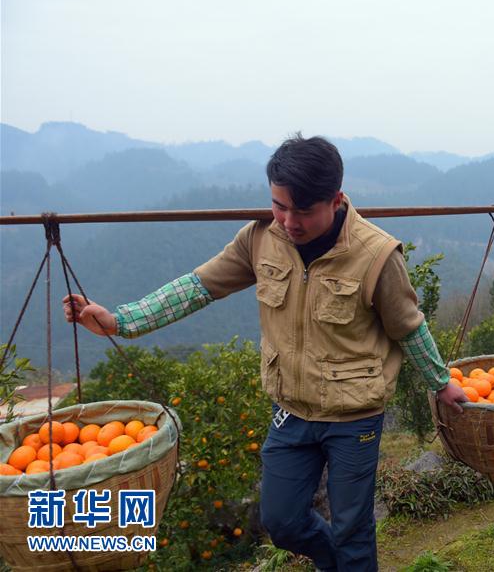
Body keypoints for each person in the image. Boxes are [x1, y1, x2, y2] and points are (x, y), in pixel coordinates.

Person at [63, 133, 467, 572]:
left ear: (335, 200)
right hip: (291, 409)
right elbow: (198, 286)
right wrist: (122, 321)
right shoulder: (260, 238)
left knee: (352, 526)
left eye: (303, 211)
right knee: (283, 521)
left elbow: (408, 326)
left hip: (354, 414)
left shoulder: (376, 255)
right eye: (279, 205)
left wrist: (441, 383)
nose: (289, 221)